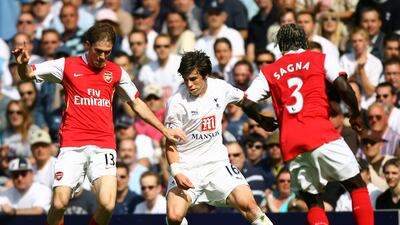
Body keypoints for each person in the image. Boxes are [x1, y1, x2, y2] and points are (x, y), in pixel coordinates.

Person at [11, 22, 186, 225]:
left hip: (103, 145)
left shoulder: (116, 72)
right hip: (72, 144)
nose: (103, 57)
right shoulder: (67, 65)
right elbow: (28, 74)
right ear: (87, 45)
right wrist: (22, 64)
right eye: (98, 51)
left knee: (107, 204)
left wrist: (164, 130)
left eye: (107, 52)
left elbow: (137, 104)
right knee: (59, 204)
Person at [242, 23, 374, 225]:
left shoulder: (270, 71)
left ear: (280, 45)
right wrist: (355, 113)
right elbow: (342, 86)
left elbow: (247, 102)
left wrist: (262, 120)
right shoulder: (318, 58)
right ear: (303, 41)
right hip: (322, 134)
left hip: (292, 144)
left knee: (313, 202)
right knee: (356, 185)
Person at [164, 50, 274, 225]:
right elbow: (170, 144)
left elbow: (244, 101)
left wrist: (260, 119)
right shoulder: (176, 103)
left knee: (251, 206)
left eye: (193, 79)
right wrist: (176, 172)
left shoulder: (220, 88)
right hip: (187, 167)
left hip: (217, 165)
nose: (189, 84)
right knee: (174, 217)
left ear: (205, 75)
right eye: (185, 79)